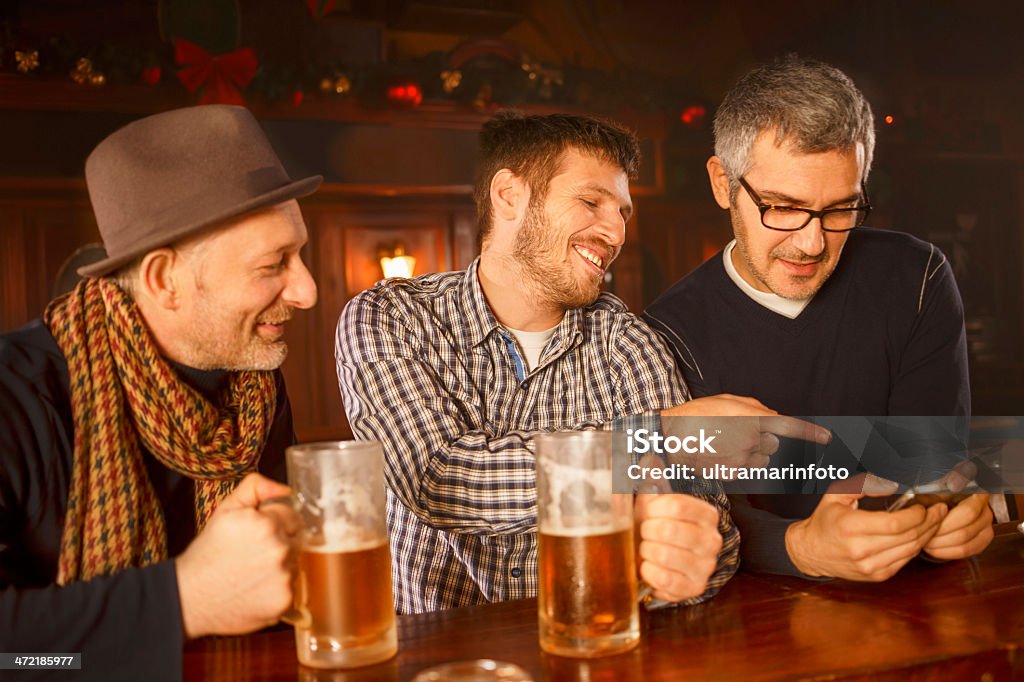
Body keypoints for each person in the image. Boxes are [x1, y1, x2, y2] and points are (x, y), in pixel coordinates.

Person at [336, 111, 828, 614]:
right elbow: (438, 480)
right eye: (591, 201)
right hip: (442, 658)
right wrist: (652, 436)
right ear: (509, 195)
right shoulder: (391, 317)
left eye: (623, 214)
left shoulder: (630, 345)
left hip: (598, 649)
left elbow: (710, 535)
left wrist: (692, 557)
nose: (615, 232)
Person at [645, 56, 994, 582]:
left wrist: (952, 513)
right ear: (722, 183)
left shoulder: (917, 277)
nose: (812, 244)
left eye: (839, 210)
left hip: (910, 600)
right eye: (783, 208)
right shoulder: (662, 334)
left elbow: (934, 468)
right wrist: (799, 548)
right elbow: (677, 523)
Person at [0, 105, 319, 680]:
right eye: (274, 264)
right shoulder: (15, 395)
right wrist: (185, 600)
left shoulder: (253, 381)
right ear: (163, 280)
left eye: (299, 255)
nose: (307, 291)